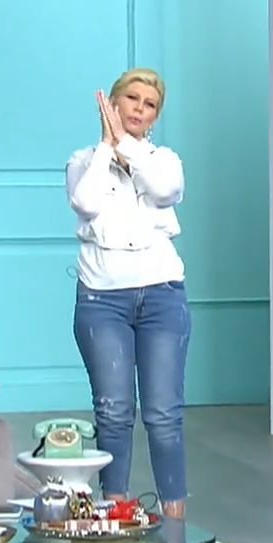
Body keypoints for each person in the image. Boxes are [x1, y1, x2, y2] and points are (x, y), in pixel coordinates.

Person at [66, 68, 190, 519]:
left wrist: (127, 147)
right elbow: (86, 203)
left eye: (149, 104)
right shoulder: (83, 161)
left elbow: (164, 190)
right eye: (132, 99)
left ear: (155, 117)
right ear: (112, 104)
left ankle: (176, 526)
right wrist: (107, 146)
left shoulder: (164, 161)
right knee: (114, 411)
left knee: (163, 415)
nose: (139, 108)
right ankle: (113, 515)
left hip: (162, 296)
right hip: (102, 300)